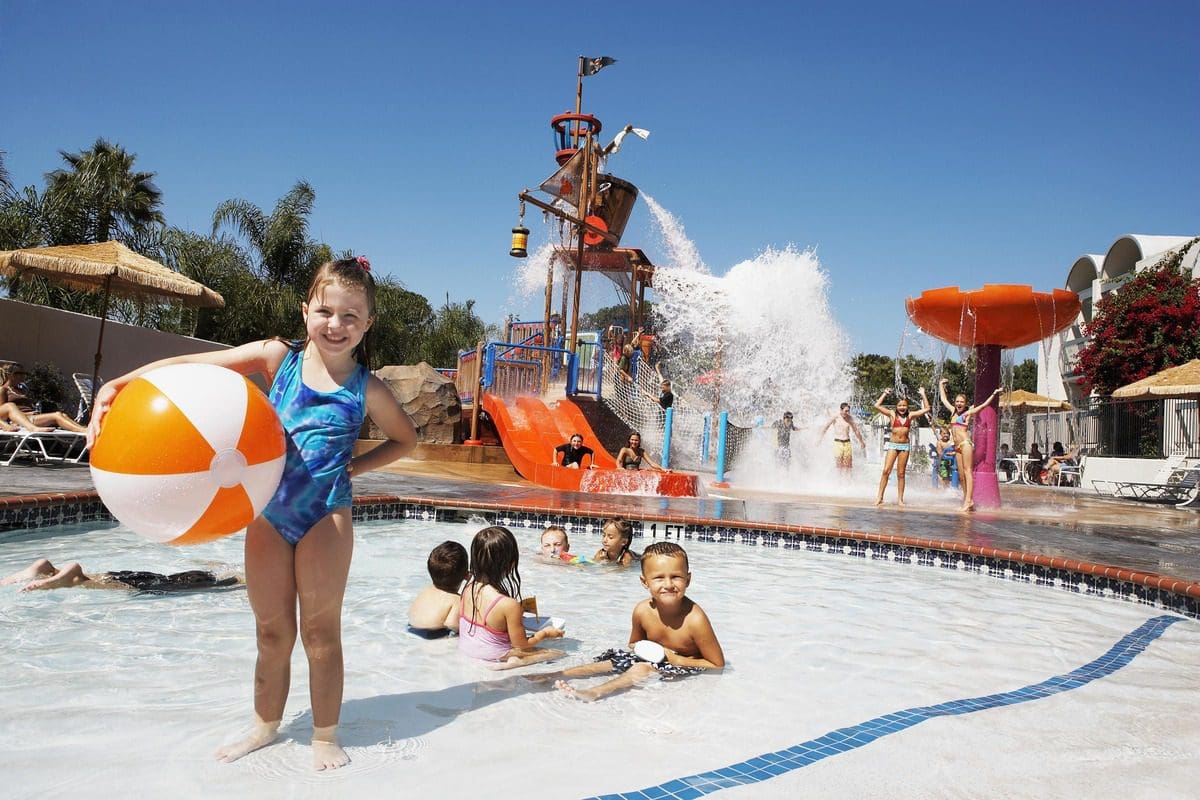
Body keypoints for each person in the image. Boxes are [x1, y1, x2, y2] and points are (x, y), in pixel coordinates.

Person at [88, 255, 418, 771]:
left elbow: (406, 439)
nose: (336, 325)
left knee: (319, 632)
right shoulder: (276, 359)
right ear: (306, 307)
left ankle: (325, 735)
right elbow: (190, 366)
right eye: (326, 311)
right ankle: (265, 726)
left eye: (351, 317)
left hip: (325, 517)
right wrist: (120, 383)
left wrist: (355, 469)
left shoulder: (365, 388)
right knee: (270, 631)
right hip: (268, 514)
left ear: (368, 323)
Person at [534, 541, 724, 702]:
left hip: (682, 664)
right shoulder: (642, 610)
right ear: (644, 582)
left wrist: (675, 659)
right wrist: (644, 650)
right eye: (659, 578)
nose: (668, 584)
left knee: (642, 667)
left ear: (688, 579)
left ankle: (595, 692)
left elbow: (716, 665)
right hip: (652, 657)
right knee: (610, 661)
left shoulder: (695, 619)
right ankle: (556, 675)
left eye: (676, 577)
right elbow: (633, 643)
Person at [458, 526, 565, 669]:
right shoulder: (508, 604)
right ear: (510, 563)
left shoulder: (468, 588)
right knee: (558, 654)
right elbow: (522, 646)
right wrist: (544, 634)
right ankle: (517, 663)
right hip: (494, 656)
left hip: (467, 650)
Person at [938, 379, 1004, 511]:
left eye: (961, 402)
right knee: (961, 475)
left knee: (968, 472)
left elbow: (983, 405)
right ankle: (968, 499)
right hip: (957, 446)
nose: (959, 404)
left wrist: (994, 393)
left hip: (966, 444)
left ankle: (967, 500)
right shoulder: (952, 412)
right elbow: (943, 399)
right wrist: (940, 385)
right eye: (957, 401)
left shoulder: (967, 414)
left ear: (965, 403)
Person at [2, 558, 241, 592]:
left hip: (145, 574)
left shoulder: (172, 576)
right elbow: (234, 581)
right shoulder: (174, 586)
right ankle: (71, 577)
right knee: (94, 583)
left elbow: (213, 565)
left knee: (102, 577)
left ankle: (47, 569)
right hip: (144, 582)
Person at [873, 387, 932, 507]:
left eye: (904, 405)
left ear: (907, 406)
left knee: (901, 474)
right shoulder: (891, 414)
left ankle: (900, 499)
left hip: (904, 446)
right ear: (896, 406)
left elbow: (927, 409)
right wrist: (884, 393)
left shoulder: (910, 416)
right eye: (899, 405)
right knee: (886, 471)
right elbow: (877, 406)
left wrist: (923, 394)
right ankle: (880, 497)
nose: (902, 407)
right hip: (893, 445)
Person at [407, 541, 469, 639]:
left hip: (410, 629)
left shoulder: (426, 590)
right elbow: (452, 623)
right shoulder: (456, 599)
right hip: (431, 636)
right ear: (466, 575)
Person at [0, 364, 86, 433]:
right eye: (20, 373)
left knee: (62, 415)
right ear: (10, 375)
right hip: (22, 420)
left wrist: (31, 412)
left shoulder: (21, 389)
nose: (23, 376)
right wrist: (27, 414)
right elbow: (5, 413)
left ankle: (83, 429)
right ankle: (83, 431)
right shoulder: (3, 390)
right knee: (56, 415)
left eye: (24, 373)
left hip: (31, 417)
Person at [817, 403, 866, 473]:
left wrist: (861, 441)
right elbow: (825, 427)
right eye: (846, 411)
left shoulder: (850, 418)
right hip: (838, 443)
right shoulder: (835, 417)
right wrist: (820, 439)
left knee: (848, 466)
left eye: (848, 411)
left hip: (847, 443)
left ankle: (848, 482)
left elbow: (856, 431)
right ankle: (839, 482)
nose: (847, 413)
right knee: (839, 465)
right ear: (841, 410)